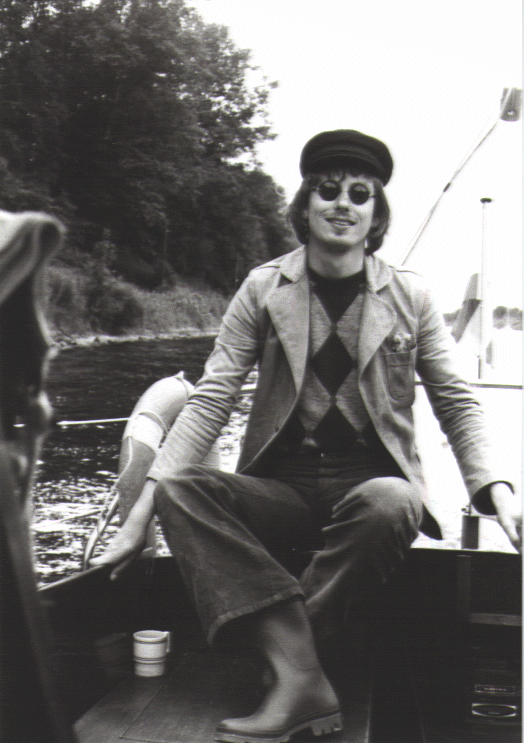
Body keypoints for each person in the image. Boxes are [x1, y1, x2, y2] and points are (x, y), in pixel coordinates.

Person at [91, 129, 522, 743]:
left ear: (376, 214)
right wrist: (140, 517)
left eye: (359, 194)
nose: (343, 203)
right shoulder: (263, 288)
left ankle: (291, 666)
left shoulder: (412, 296)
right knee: (182, 489)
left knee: (393, 499)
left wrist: (497, 489)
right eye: (327, 190)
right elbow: (212, 398)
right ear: (305, 205)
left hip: (368, 487)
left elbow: (456, 402)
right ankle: (304, 673)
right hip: (281, 488)